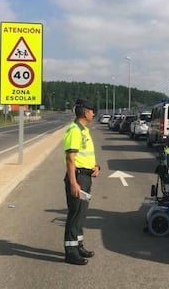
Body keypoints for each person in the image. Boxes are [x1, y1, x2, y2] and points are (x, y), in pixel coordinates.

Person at [63, 99, 101, 265]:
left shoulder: (83, 130)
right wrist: (73, 182)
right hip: (78, 177)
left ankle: (78, 245)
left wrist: (96, 167)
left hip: (86, 176)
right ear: (86, 112)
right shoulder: (75, 130)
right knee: (75, 213)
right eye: (92, 110)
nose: (93, 113)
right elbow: (70, 159)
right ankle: (70, 252)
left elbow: (85, 155)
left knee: (81, 213)